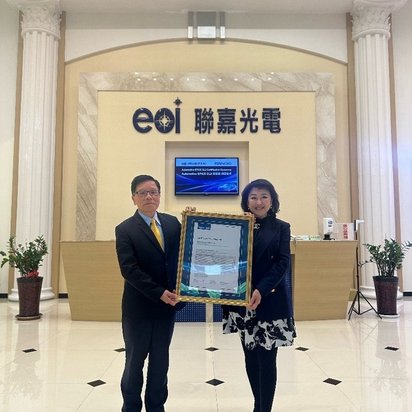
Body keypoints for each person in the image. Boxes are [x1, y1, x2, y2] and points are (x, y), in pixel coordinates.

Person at [223, 178, 296, 412]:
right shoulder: (235, 226)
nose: (259, 201)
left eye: (264, 196)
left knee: (267, 358)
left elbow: (282, 262)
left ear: (272, 201)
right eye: (253, 197)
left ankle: (264, 409)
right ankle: (258, 405)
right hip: (242, 303)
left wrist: (260, 289)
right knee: (250, 357)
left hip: (269, 301)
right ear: (246, 201)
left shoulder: (282, 227)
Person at [115, 174, 184, 412]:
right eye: (142, 193)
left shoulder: (173, 224)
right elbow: (129, 269)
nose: (149, 197)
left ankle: (156, 406)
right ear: (133, 198)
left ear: (159, 196)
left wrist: (192, 220)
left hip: (167, 308)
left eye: (153, 192)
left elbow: (186, 254)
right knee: (134, 363)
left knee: (160, 363)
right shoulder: (125, 229)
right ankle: (131, 406)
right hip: (139, 309)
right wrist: (159, 292)